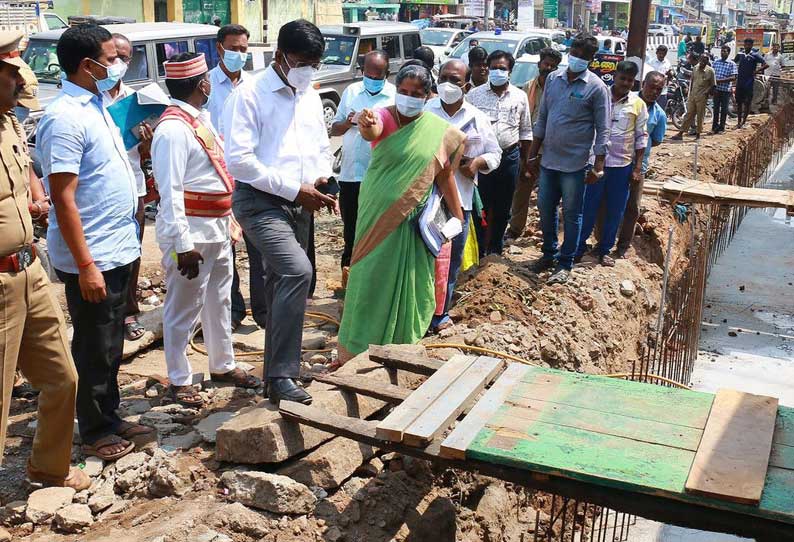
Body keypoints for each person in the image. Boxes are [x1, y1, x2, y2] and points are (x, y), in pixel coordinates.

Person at [37, 24, 144, 461]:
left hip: (117, 246)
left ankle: (110, 412)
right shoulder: (64, 117)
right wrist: (85, 266)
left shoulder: (96, 105)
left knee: (111, 338)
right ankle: (95, 428)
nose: (116, 64)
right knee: (93, 341)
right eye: (109, 57)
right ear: (87, 65)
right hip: (94, 254)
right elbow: (63, 199)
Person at [0, 33, 91, 527]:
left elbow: (28, 174)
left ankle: (49, 467)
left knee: (61, 377)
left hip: (28, 268)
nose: (21, 81)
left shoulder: (9, 120)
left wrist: (32, 197)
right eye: (13, 72)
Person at [225, 20, 336, 405]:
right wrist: (293, 189)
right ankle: (283, 374)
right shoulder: (250, 95)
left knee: (279, 285)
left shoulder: (307, 93)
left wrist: (324, 179)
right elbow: (239, 162)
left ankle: (277, 374)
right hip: (260, 201)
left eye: (314, 63)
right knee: (296, 271)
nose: (308, 69)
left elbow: (319, 145)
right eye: (301, 61)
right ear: (279, 55)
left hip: (301, 201)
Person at [152, 53, 260, 407]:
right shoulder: (172, 129)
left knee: (219, 299)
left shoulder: (199, 120)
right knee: (183, 306)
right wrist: (182, 245)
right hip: (192, 234)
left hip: (216, 227)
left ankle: (222, 363)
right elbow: (170, 194)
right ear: (202, 84)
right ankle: (179, 378)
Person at [337, 64, 465, 358]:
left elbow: (444, 175)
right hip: (376, 213)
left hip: (414, 221)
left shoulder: (440, 132)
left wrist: (457, 216)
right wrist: (365, 124)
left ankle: (400, 347)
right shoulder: (383, 115)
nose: (409, 98)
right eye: (403, 92)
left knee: (411, 279)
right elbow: (372, 131)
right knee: (370, 274)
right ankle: (354, 349)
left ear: (427, 95)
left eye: (416, 93)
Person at [527, 34, 610, 285]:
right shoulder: (553, 79)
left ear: (590, 59)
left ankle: (566, 262)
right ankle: (548, 254)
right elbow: (542, 119)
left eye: (583, 55)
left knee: (572, 214)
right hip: (549, 160)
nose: (577, 58)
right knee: (544, 207)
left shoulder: (596, 88)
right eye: (575, 52)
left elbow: (603, 129)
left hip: (575, 164)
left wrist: (598, 166)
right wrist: (532, 154)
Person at [425, 59, 501, 331]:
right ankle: (419, 312)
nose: (447, 84)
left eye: (454, 80)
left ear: (466, 85)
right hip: (425, 199)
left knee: (451, 258)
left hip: (460, 200)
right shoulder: (426, 112)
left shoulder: (476, 118)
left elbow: (495, 154)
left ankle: (440, 313)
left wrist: (476, 164)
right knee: (424, 257)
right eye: (443, 77)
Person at [204, 24, 267, 330]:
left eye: (244, 49)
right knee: (223, 249)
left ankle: (264, 311)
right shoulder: (205, 86)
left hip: (250, 175)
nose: (240, 54)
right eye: (234, 49)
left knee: (258, 245)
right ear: (219, 49)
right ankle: (232, 310)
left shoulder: (255, 86)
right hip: (216, 176)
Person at [331, 50, 395, 285]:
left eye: (378, 76)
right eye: (369, 74)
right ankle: (349, 279)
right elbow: (334, 129)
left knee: (376, 229)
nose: (373, 79)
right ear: (362, 71)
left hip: (380, 175)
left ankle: (374, 280)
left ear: (386, 74)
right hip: (351, 174)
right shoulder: (351, 92)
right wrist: (350, 121)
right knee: (351, 230)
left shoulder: (394, 96)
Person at [105, 33, 152, 342]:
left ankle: (129, 310)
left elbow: (143, 154)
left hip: (134, 187)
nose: (119, 64)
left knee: (133, 252)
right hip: (102, 192)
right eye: (113, 57)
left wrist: (147, 142)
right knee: (106, 257)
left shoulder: (135, 99)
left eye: (124, 58)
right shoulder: (92, 99)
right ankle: (109, 313)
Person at [576, 61, 647, 267]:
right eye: (622, 78)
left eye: (630, 80)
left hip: (621, 166)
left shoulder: (638, 104)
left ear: (633, 82)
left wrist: (637, 168)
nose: (625, 83)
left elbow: (641, 137)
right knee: (587, 207)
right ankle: (579, 248)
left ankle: (604, 250)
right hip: (595, 163)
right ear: (615, 76)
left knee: (615, 210)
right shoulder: (600, 96)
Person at [466, 50, 532, 256]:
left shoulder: (520, 96)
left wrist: (525, 162)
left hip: (509, 156)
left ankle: (496, 247)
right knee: (480, 204)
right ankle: (480, 249)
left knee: (503, 206)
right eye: (493, 68)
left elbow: (526, 130)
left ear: (510, 71)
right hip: (482, 158)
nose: (497, 72)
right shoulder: (474, 96)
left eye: (502, 68)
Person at [507, 47, 562, 240]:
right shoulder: (526, 88)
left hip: (552, 150)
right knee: (521, 191)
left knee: (549, 196)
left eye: (553, 66)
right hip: (528, 148)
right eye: (546, 64)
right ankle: (515, 229)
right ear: (539, 65)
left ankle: (550, 235)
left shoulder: (560, 90)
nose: (548, 68)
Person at [615, 71, 667, 258]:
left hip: (638, 166)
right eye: (651, 87)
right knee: (608, 203)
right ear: (643, 84)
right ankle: (602, 240)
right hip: (616, 161)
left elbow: (657, 140)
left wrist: (639, 145)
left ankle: (623, 246)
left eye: (658, 89)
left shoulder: (659, 115)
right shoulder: (626, 101)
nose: (654, 92)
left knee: (632, 208)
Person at [671, 53, 715, 140]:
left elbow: (713, 85)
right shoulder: (695, 68)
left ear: (707, 61)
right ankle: (681, 133)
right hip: (693, 95)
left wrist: (706, 93)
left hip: (702, 97)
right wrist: (690, 93)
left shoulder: (710, 71)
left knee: (700, 115)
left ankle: (698, 134)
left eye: (705, 60)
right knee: (689, 114)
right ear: (699, 60)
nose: (702, 62)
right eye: (701, 60)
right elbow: (692, 81)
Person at [735, 38, 767, 128]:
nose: (747, 46)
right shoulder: (740, 54)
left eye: (749, 45)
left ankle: (744, 121)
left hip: (749, 82)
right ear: (744, 45)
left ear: (752, 46)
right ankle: (739, 121)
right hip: (740, 81)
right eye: (746, 44)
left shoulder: (755, 55)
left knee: (747, 102)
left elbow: (766, 64)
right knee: (739, 102)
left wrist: (757, 71)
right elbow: (733, 62)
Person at [711, 45, 737, 134]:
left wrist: (720, 80)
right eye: (722, 51)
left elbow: (733, 77)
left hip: (725, 90)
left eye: (725, 51)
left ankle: (722, 128)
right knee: (716, 109)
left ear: (728, 53)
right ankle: (714, 127)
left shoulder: (731, 64)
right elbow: (712, 74)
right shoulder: (716, 62)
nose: (723, 53)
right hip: (716, 89)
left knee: (724, 109)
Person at [643, 44, 672, 110]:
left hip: (663, 91)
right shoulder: (650, 62)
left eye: (663, 54)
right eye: (660, 53)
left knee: (660, 109)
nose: (661, 55)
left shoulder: (667, 63)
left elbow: (669, 76)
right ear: (656, 53)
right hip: (651, 90)